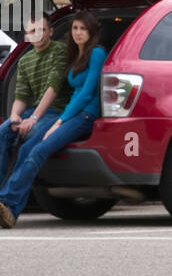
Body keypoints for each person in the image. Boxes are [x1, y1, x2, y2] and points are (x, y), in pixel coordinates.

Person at [0, 12, 106, 229]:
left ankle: (8, 202)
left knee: (37, 150)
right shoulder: (75, 54)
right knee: (27, 147)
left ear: (91, 32)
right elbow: (23, 92)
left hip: (84, 115)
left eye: (82, 29)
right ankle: (8, 208)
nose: (77, 33)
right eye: (74, 28)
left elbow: (86, 94)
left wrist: (58, 122)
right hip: (70, 113)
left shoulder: (96, 53)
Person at [0, 13, 69, 184]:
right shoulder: (24, 61)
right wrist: (15, 115)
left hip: (59, 111)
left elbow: (53, 88)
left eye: (41, 30)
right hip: (35, 111)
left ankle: (15, 185)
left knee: (31, 131)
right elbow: (21, 95)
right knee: (3, 131)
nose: (36, 34)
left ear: (51, 32)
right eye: (31, 31)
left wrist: (33, 118)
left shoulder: (59, 50)